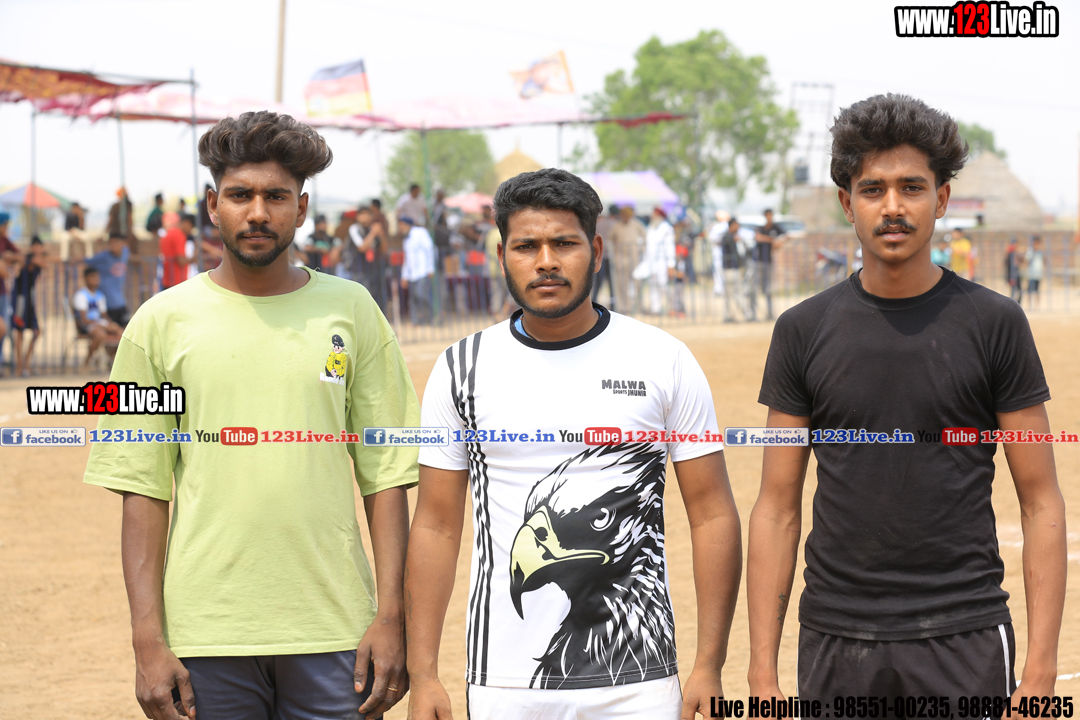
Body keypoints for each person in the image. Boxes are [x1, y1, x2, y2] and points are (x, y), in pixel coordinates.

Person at [82, 111, 417, 720]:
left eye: (276, 197)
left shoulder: (354, 310)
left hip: (335, 629)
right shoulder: (157, 325)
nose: (257, 212)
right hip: (206, 635)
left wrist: (391, 618)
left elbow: (387, 474)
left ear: (302, 207)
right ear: (213, 206)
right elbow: (142, 488)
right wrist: (147, 641)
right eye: (240, 195)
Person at [747, 93, 1065, 703]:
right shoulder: (801, 331)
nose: (892, 207)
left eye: (912, 187)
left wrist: (1042, 672)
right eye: (873, 189)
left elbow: (1041, 499)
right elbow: (776, 508)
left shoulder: (996, 324)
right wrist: (762, 671)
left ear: (941, 199)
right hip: (836, 634)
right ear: (848, 203)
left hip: (965, 632)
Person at [405, 168, 742, 720]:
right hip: (504, 682)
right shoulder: (461, 368)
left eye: (564, 243)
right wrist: (423, 674)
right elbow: (436, 524)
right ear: (501, 256)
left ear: (596, 250)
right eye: (526, 246)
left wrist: (709, 664)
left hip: (641, 686)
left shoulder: (663, 359)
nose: (546, 262)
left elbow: (711, 513)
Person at [10, 236, 48, 377]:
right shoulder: (26, 259)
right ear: (31, 248)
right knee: (19, 331)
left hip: (30, 300)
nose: (37, 249)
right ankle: (19, 366)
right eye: (35, 247)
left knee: (36, 331)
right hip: (20, 299)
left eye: (39, 247)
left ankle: (26, 363)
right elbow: (19, 267)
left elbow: (46, 264)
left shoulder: (37, 260)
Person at [72, 266, 124, 370]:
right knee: (100, 334)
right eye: (93, 277)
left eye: (97, 277)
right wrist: (104, 326)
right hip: (87, 325)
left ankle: (112, 357)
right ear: (86, 278)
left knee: (122, 333)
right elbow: (84, 319)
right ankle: (87, 361)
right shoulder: (81, 295)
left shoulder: (100, 296)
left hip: (100, 324)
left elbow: (104, 316)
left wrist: (111, 325)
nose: (96, 280)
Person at [85, 233, 131, 327]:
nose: (113, 245)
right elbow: (86, 260)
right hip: (108, 305)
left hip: (121, 302)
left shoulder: (126, 252)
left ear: (123, 243)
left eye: (116, 242)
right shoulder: (103, 257)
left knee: (126, 330)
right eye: (111, 243)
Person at [637, 206, 676, 315]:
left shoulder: (667, 228)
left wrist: (671, 264)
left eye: (655, 215)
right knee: (652, 285)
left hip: (662, 261)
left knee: (663, 284)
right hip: (650, 261)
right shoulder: (651, 227)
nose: (652, 216)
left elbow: (670, 247)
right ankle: (656, 308)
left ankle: (672, 306)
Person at [608, 204, 645, 313]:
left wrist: (641, 249)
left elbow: (645, 236)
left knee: (637, 282)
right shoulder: (617, 225)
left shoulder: (636, 224)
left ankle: (638, 305)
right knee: (622, 284)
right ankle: (624, 307)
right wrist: (613, 253)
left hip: (634, 257)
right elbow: (610, 239)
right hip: (621, 257)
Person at [399, 215, 435, 325]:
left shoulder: (420, 232)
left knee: (422, 295)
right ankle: (416, 321)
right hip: (412, 273)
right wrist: (404, 276)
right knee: (413, 298)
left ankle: (430, 318)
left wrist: (430, 268)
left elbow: (430, 250)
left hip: (423, 270)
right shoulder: (406, 238)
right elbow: (407, 258)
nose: (400, 228)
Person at [751, 208, 785, 320]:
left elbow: (785, 236)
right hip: (758, 262)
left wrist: (779, 242)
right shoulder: (761, 228)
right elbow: (758, 237)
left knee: (768, 289)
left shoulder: (775, 227)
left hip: (768, 261)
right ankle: (753, 315)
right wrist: (772, 240)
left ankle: (770, 314)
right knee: (755, 288)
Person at [0, 212, 22, 374]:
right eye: (4, 225)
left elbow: (19, 255)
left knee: (4, 328)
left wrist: (10, 259)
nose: (6, 228)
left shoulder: (4, 240)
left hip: (2, 292)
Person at [591, 204, 618, 308]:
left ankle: (594, 301)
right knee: (612, 283)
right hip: (610, 256)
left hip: (599, 256)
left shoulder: (600, 223)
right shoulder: (615, 224)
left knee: (598, 282)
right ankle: (613, 305)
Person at [720, 218, 747, 322]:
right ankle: (730, 315)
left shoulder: (734, 237)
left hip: (734, 268)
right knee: (731, 293)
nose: (738, 227)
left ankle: (734, 314)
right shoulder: (728, 237)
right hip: (729, 269)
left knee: (735, 293)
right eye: (736, 225)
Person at [159, 212, 192, 290]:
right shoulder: (179, 235)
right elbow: (181, 261)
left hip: (168, 280)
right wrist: (194, 257)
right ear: (186, 223)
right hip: (177, 281)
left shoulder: (167, 234)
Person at [107, 188, 139, 255]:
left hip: (122, 234)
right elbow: (111, 220)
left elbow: (129, 220)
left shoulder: (126, 206)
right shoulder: (117, 206)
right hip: (116, 233)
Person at [708, 210, 731, 296]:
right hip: (718, 252)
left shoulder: (723, 226)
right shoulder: (719, 226)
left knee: (720, 271)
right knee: (718, 271)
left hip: (723, 252)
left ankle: (720, 289)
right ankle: (719, 289)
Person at [1025, 235, 1045, 311]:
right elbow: (1027, 261)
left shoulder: (1040, 252)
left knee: (1037, 291)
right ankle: (1030, 306)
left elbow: (1044, 261)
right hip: (1031, 274)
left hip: (1038, 274)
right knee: (1030, 291)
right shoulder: (1030, 251)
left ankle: (1037, 306)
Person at [1005, 237, 1023, 304]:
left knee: (1019, 291)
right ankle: (1013, 305)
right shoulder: (1010, 254)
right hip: (1012, 276)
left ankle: (1017, 304)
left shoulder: (1016, 253)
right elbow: (1009, 267)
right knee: (1013, 292)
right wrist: (1010, 278)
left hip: (1017, 275)